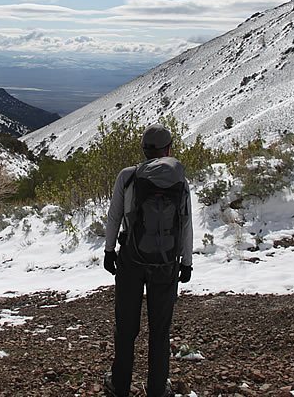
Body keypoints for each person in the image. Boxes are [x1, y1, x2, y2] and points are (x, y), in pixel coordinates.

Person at [102, 123, 194, 397]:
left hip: (131, 259)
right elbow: (186, 224)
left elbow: (114, 217)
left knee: (126, 327)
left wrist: (109, 251)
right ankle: (157, 388)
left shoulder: (128, 176)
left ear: (144, 149)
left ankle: (120, 385)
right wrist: (186, 261)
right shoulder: (180, 181)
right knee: (160, 330)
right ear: (168, 149)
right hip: (166, 263)